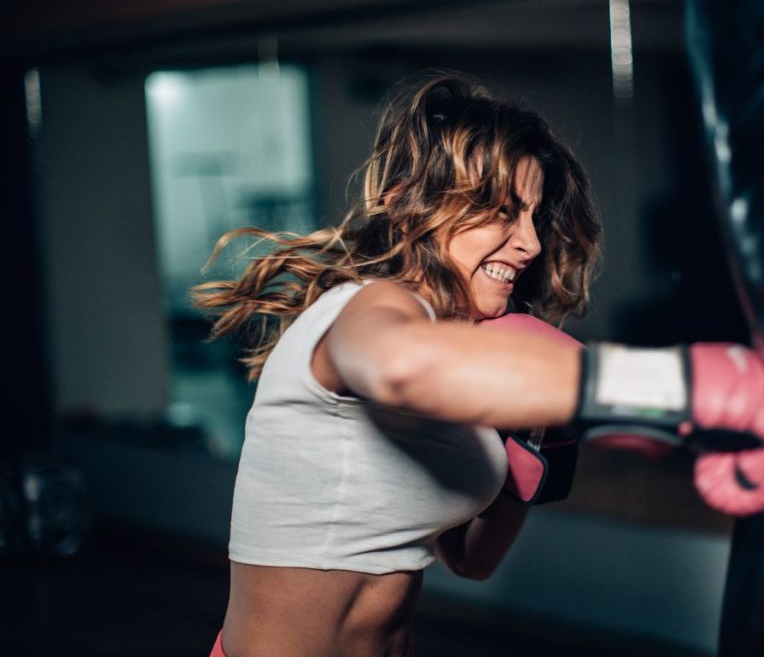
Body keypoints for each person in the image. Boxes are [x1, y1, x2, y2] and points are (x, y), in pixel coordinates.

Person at [193, 71, 602, 657]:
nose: (531, 243)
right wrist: (597, 383)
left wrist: (545, 451)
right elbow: (395, 365)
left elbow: (471, 561)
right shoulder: (374, 305)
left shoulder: (456, 348)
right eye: (503, 212)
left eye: (533, 217)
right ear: (406, 202)